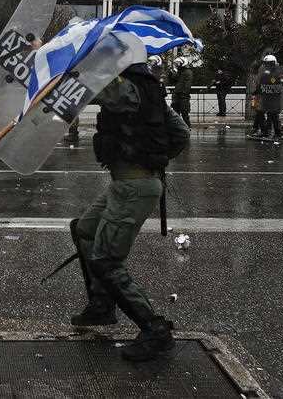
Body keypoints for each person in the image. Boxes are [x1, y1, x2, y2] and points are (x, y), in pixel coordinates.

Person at [69, 61, 190, 361]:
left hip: (134, 187)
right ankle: (102, 306)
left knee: (106, 259)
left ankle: (155, 330)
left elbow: (88, 90)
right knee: (84, 230)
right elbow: (181, 133)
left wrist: (55, 64)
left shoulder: (125, 88)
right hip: (128, 184)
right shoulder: (151, 92)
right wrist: (154, 158)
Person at [255, 54, 283, 139]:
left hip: (275, 98)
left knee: (273, 115)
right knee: (260, 112)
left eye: (268, 63)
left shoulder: (279, 71)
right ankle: (265, 131)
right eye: (266, 63)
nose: (266, 65)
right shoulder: (264, 71)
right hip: (265, 97)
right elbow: (260, 83)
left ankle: (278, 133)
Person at [170, 57, 193, 128]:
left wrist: (184, 94)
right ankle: (177, 128)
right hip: (177, 96)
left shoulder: (188, 72)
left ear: (183, 63)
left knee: (184, 113)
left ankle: (187, 127)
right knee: (176, 114)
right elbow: (173, 80)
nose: (177, 64)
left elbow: (187, 85)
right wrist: (173, 72)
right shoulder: (180, 71)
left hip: (183, 97)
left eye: (178, 63)